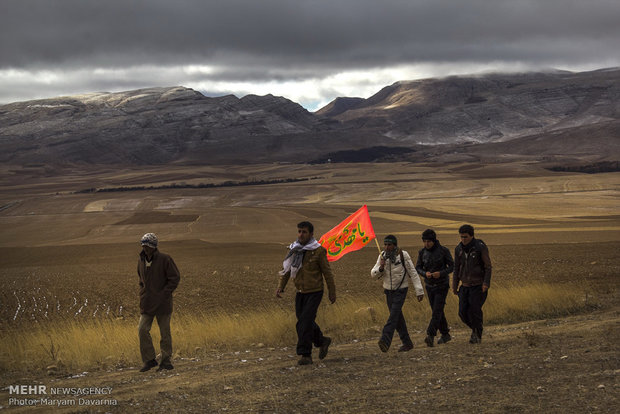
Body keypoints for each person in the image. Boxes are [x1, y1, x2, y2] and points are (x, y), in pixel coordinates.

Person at [276, 221, 336, 365]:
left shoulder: (319, 251)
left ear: (311, 234)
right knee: (304, 322)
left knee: (304, 322)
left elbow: (327, 273)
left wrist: (332, 292)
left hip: (315, 291)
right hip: (300, 292)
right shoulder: (294, 249)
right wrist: (281, 287)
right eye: (299, 231)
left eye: (304, 232)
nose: (301, 234)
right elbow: (287, 270)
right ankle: (322, 341)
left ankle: (305, 354)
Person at [371, 235, 424, 353]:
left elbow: (413, 273)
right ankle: (407, 343)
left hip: (401, 289)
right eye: (385, 244)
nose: (386, 247)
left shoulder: (403, 255)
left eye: (389, 244)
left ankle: (385, 340)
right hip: (388, 291)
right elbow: (373, 275)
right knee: (397, 317)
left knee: (393, 315)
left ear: (394, 245)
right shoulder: (382, 256)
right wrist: (381, 267)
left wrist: (419, 290)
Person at [137, 233, 181, 372]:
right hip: (147, 303)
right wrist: (143, 292)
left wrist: (163, 294)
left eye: (148, 246)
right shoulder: (141, 260)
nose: (146, 249)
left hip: (163, 303)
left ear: (154, 247)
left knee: (165, 333)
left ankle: (166, 361)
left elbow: (174, 278)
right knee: (142, 330)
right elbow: (141, 279)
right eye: (144, 246)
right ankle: (149, 360)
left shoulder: (165, 259)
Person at [452, 224, 492, 344]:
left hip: (478, 285)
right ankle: (475, 329)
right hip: (464, 286)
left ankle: (477, 335)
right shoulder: (458, 249)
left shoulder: (479, 247)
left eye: (465, 237)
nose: (463, 239)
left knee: (475, 311)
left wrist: (486, 283)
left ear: (472, 236)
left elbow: (488, 266)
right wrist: (454, 285)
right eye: (461, 237)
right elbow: (456, 268)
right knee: (462, 312)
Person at [415, 229, 454, 347]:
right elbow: (418, 267)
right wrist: (424, 273)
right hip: (429, 285)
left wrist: (441, 273)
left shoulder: (443, 251)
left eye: (429, 241)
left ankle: (430, 335)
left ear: (434, 240)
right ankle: (445, 334)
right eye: (424, 241)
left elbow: (452, 266)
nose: (426, 244)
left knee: (437, 311)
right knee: (437, 311)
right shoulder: (422, 252)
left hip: (442, 285)